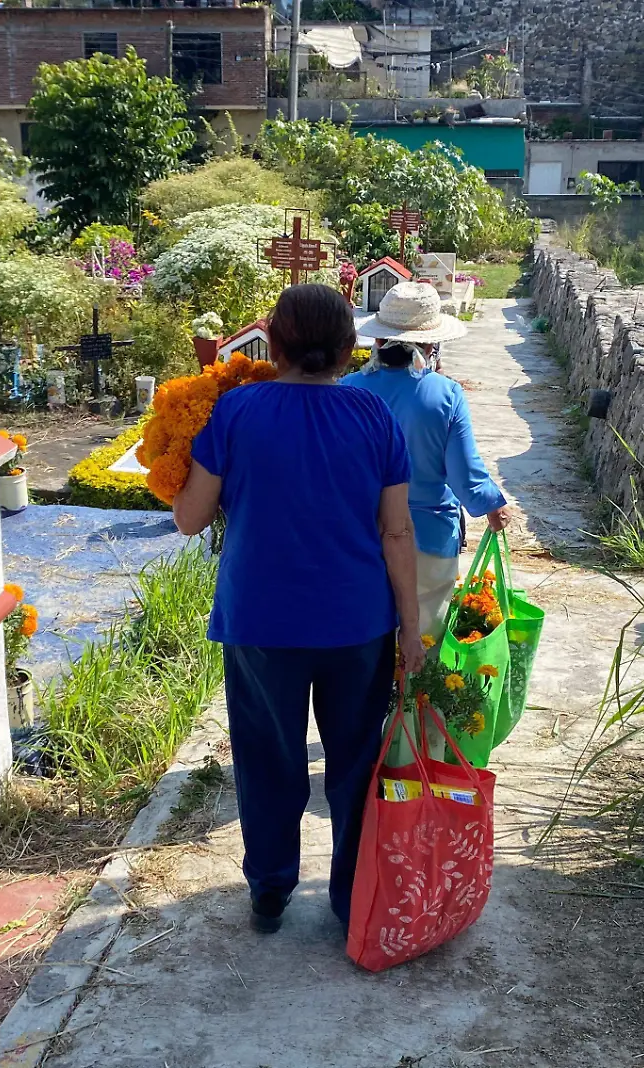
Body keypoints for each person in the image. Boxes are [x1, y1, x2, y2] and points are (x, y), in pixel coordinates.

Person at [172, 284, 428, 935]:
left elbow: (189, 518)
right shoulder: (375, 418)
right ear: (350, 348)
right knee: (353, 761)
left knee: (267, 757)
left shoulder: (235, 413)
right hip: (357, 623)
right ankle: (350, 900)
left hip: (262, 622)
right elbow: (397, 533)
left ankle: (269, 890)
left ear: (273, 345)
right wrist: (413, 630)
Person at [350, 281, 511, 645]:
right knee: (422, 644)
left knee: (364, 646)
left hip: (359, 535)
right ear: (430, 345)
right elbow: (464, 474)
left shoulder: (347, 390)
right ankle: (414, 702)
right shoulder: (445, 393)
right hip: (428, 536)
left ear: (377, 341)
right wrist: (492, 504)